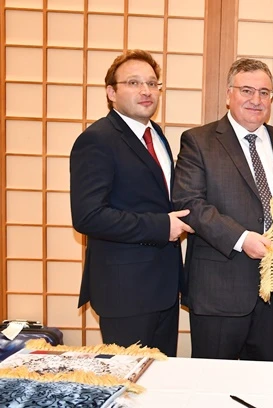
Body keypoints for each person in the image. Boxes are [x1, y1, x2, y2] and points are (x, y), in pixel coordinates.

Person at [172, 58, 273, 361]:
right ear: (228, 94)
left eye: (264, 92)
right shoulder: (199, 141)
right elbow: (189, 203)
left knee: (262, 381)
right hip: (219, 290)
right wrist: (241, 238)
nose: (256, 100)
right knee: (213, 382)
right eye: (247, 90)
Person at [70, 50, 192, 357]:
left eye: (152, 83)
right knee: (127, 380)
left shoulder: (156, 134)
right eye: (134, 83)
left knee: (160, 377)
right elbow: (88, 216)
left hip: (164, 287)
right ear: (111, 92)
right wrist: (161, 226)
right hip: (124, 291)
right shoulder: (97, 139)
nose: (146, 90)